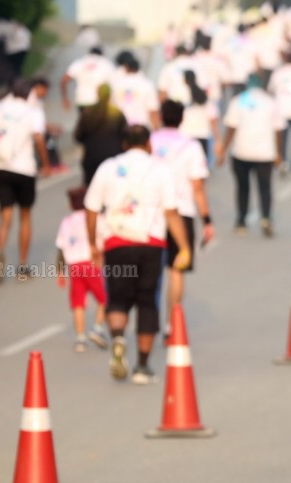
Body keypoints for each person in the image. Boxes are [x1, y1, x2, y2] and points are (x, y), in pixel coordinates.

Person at [84, 124, 192, 384]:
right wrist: (184, 245)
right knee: (147, 301)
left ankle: (119, 337)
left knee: (118, 299)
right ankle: (142, 366)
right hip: (151, 244)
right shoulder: (160, 169)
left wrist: (93, 244)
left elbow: (91, 208)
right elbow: (171, 212)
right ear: (148, 144)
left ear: (123, 144)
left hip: (116, 244)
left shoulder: (108, 167)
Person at [0, 79, 48, 283]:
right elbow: (38, 138)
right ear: (29, 94)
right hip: (25, 168)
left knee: (5, 216)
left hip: (2, 167)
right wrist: (46, 163)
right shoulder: (34, 112)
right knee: (25, 216)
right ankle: (22, 265)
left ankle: (1, 250)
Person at [151, 100, 214, 312]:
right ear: (182, 119)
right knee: (176, 270)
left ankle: (149, 320)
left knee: (150, 271)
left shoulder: (149, 141)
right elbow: (197, 186)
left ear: (161, 116)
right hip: (181, 212)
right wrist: (206, 219)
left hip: (152, 212)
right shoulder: (191, 146)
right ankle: (173, 324)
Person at [216, 74, 286, 237]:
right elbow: (278, 130)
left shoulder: (238, 100)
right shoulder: (270, 102)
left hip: (241, 152)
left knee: (243, 188)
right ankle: (266, 218)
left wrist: (223, 151)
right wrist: (279, 154)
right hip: (265, 153)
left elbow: (230, 129)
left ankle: (241, 220)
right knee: (265, 187)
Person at [55, 186, 109, 352]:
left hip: (74, 266)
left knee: (78, 302)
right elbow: (106, 240)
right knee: (106, 298)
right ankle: (97, 329)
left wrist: (60, 271)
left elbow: (61, 248)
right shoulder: (96, 218)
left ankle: (80, 339)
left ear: (71, 205)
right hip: (91, 263)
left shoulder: (66, 222)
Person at [74, 84, 128, 186]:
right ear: (110, 95)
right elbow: (125, 135)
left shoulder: (87, 112)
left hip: (91, 157)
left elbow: (78, 136)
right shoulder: (117, 112)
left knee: (92, 189)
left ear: (97, 93)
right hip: (114, 157)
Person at [111, 54, 160, 129]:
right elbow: (153, 110)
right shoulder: (147, 84)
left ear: (126, 68)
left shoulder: (116, 85)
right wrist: (157, 129)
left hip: (121, 127)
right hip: (141, 128)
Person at [61, 47, 115, 114]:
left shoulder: (79, 63)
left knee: (86, 122)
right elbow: (114, 83)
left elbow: (64, 80)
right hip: (99, 102)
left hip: (82, 100)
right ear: (102, 54)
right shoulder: (106, 64)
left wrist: (65, 98)